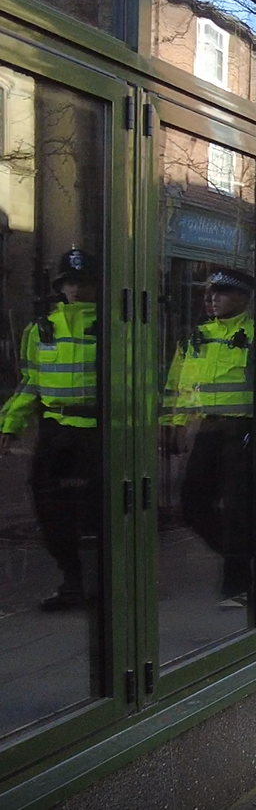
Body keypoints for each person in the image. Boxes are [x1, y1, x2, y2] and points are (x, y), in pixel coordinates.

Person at [0, 248, 101, 610]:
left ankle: (101, 583)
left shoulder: (112, 326)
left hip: (97, 431)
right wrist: (10, 424)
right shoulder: (41, 328)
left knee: (96, 510)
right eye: (71, 282)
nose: (77, 289)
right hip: (56, 430)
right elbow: (30, 384)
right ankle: (72, 581)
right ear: (61, 286)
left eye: (84, 281)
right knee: (49, 506)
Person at [162, 268, 256, 608]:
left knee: (236, 509)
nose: (212, 299)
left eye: (221, 293)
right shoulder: (195, 338)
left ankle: (237, 581)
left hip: (241, 432)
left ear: (243, 298)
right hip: (207, 431)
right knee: (191, 506)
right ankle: (245, 559)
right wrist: (173, 423)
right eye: (209, 294)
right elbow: (179, 386)